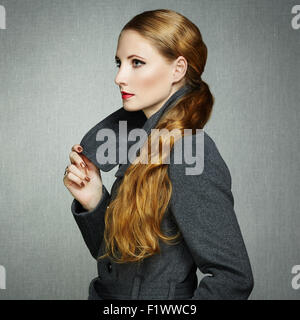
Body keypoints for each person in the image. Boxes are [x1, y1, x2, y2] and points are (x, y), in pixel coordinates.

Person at [63, 9, 254, 300]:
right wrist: (95, 201)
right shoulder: (139, 144)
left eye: (136, 63)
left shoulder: (190, 150)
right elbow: (117, 262)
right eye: (119, 63)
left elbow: (233, 278)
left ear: (178, 69)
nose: (119, 77)